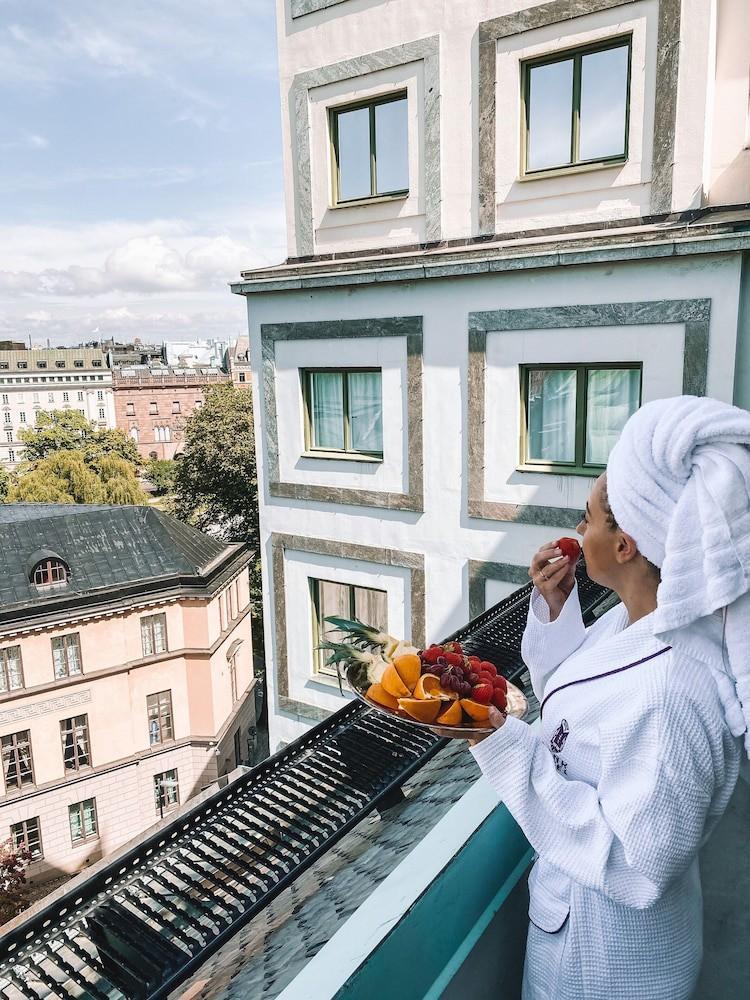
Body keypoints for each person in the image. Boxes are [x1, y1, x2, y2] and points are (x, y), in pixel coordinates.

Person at [469, 395, 750, 1000]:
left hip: (606, 964)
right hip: (586, 926)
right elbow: (579, 701)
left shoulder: (675, 693)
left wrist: (502, 745)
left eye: (591, 517)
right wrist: (552, 606)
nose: (578, 531)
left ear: (626, 545)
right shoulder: (641, 622)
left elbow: (639, 866)